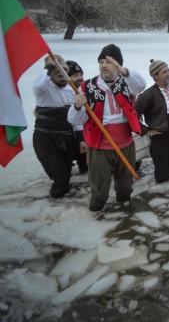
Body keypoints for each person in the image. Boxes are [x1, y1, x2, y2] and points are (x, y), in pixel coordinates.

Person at [69, 44, 146, 212]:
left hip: (125, 143)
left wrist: (123, 71)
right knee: (100, 189)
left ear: (118, 65)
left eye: (109, 62)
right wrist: (76, 106)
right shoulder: (87, 87)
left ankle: (126, 213)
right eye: (101, 61)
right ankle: (96, 214)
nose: (104, 65)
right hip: (100, 146)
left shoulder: (127, 83)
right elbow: (75, 119)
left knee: (125, 187)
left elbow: (141, 85)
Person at [33, 55, 76, 198]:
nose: (61, 74)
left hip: (66, 134)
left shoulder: (72, 90)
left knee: (66, 170)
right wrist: (50, 66)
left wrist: (81, 137)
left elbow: (77, 115)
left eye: (64, 69)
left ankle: (65, 197)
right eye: (56, 70)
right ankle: (57, 200)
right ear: (49, 72)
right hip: (46, 136)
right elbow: (39, 85)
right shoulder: (43, 89)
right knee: (59, 174)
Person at [66, 60, 88, 174]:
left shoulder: (86, 91)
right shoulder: (65, 93)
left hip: (83, 134)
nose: (79, 78)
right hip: (67, 136)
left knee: (86, 168)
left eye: (80, 75)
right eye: (75, 75)